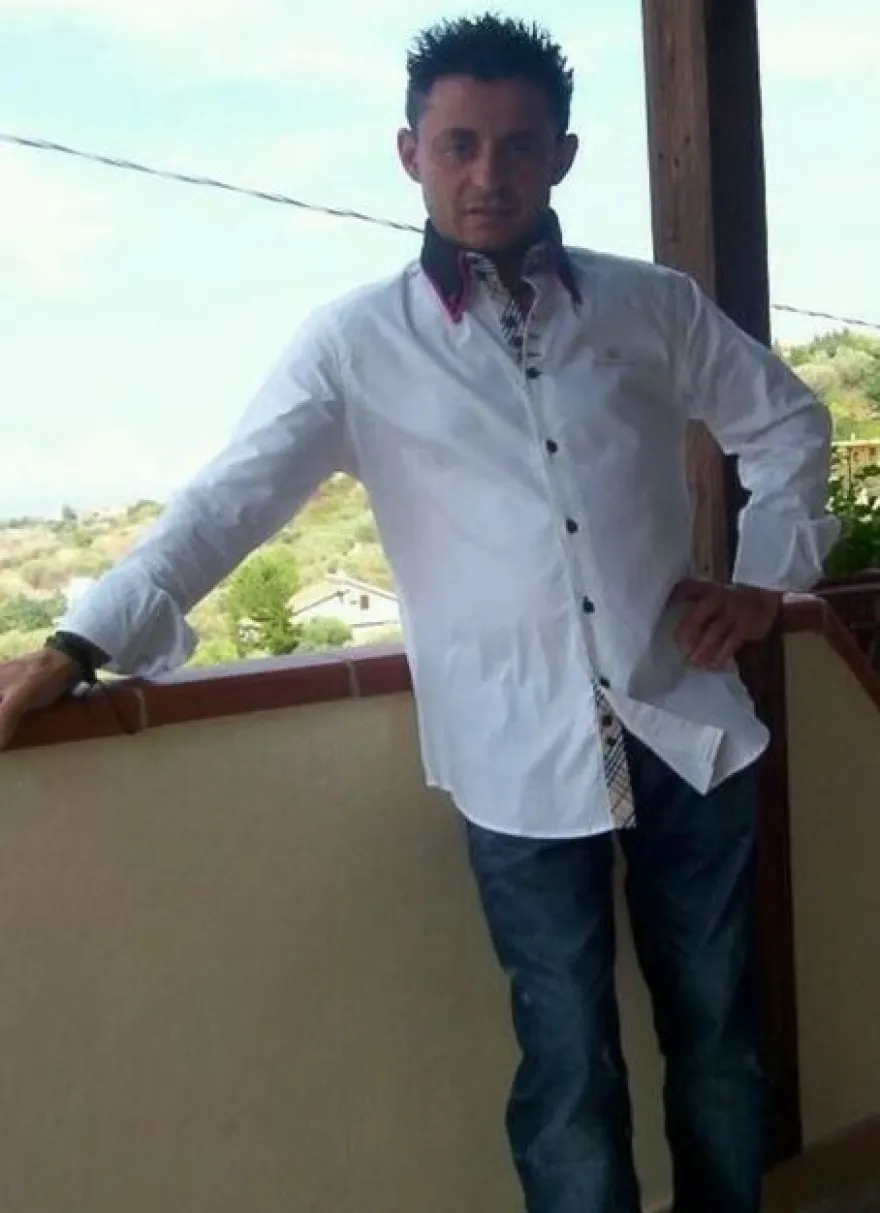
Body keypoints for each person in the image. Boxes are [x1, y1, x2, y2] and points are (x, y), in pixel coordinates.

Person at [0, 14, 837, 1213]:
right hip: (512, 757)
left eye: (517, 144)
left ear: (561, 155)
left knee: (718, 1040)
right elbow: (229, 501)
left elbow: (786, 421)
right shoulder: (355, 345)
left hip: (683, 729)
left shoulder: (650, 306)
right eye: (458, 144)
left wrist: (761, 580)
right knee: (567, 1066)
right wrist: (77, 643)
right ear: (410, 154)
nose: (487, 172)